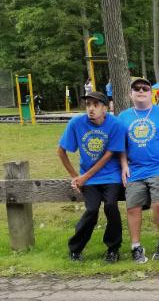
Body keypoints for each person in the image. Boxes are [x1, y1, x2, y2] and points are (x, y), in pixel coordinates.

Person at [118, 77, 159, 263]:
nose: (141, 91)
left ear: (151, 93)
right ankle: (136, 246)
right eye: (136, 88)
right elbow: (120, 145)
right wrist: (124, 165)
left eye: (145, 88)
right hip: (135, 169)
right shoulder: (123, 117)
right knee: (133, 206)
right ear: (130, 94)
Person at [57, 91, 125, 262]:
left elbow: (109, 155)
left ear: (105, 108)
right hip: (89, 179)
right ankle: (75, 249)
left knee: (111, 206)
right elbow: (61, 151)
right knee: (92, 210)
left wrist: (84, 177)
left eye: (96, 105)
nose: (91, 109)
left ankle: (113, 249)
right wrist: (75, 176)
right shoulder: (76, 123)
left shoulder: (116, 124)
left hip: (111, 176)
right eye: (88, 105)